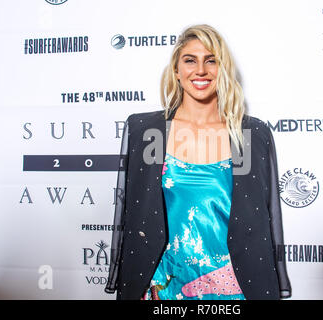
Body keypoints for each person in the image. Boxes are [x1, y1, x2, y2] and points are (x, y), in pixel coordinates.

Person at [105, 24, 291, 300]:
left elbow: (262, 224)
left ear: (223, 69)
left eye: (211, 61)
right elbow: (132, 215)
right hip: (162, 285)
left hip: (232, 288)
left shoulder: (250, 135)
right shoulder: (148, 131)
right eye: (190, 60)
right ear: (177, 71)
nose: (200, 70)